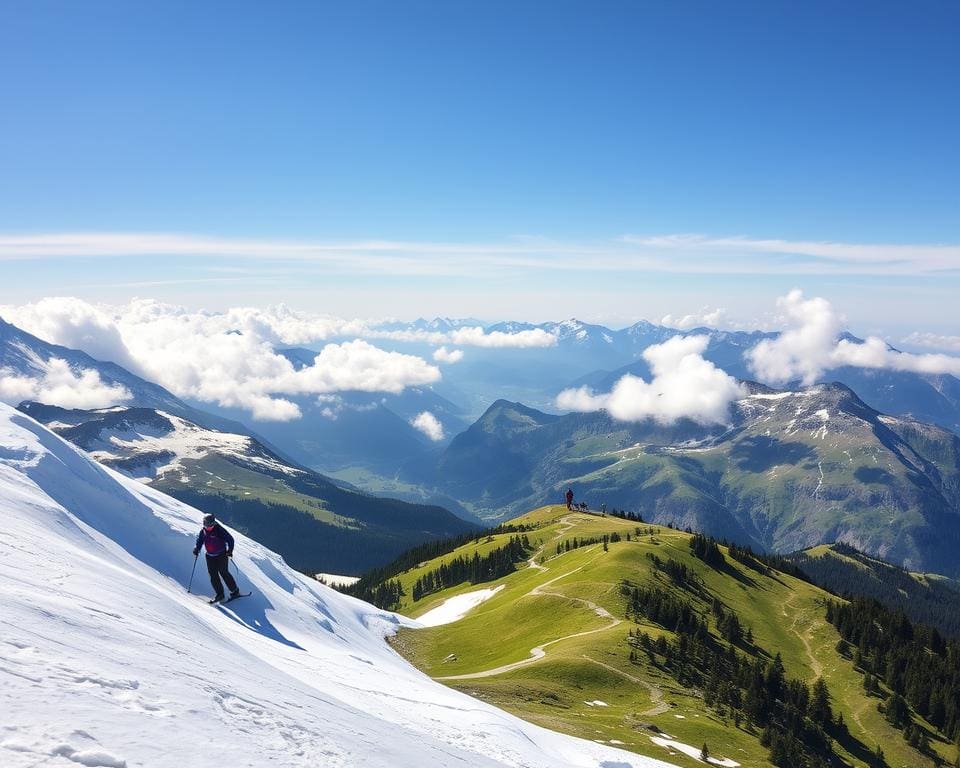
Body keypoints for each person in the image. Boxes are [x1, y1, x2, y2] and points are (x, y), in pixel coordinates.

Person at [193, 513, 239, 603]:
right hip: (210, 556)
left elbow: (230, 539)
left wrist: (230, 550)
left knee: (223, 572)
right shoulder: (203, 531)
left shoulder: (219, 530)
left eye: (211, 525)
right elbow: (200, 540)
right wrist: (197, 548)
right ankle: (220, 595)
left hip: (221, 555)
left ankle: (234, 591)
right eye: (207, 524)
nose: (209, 527)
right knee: (213, 575)